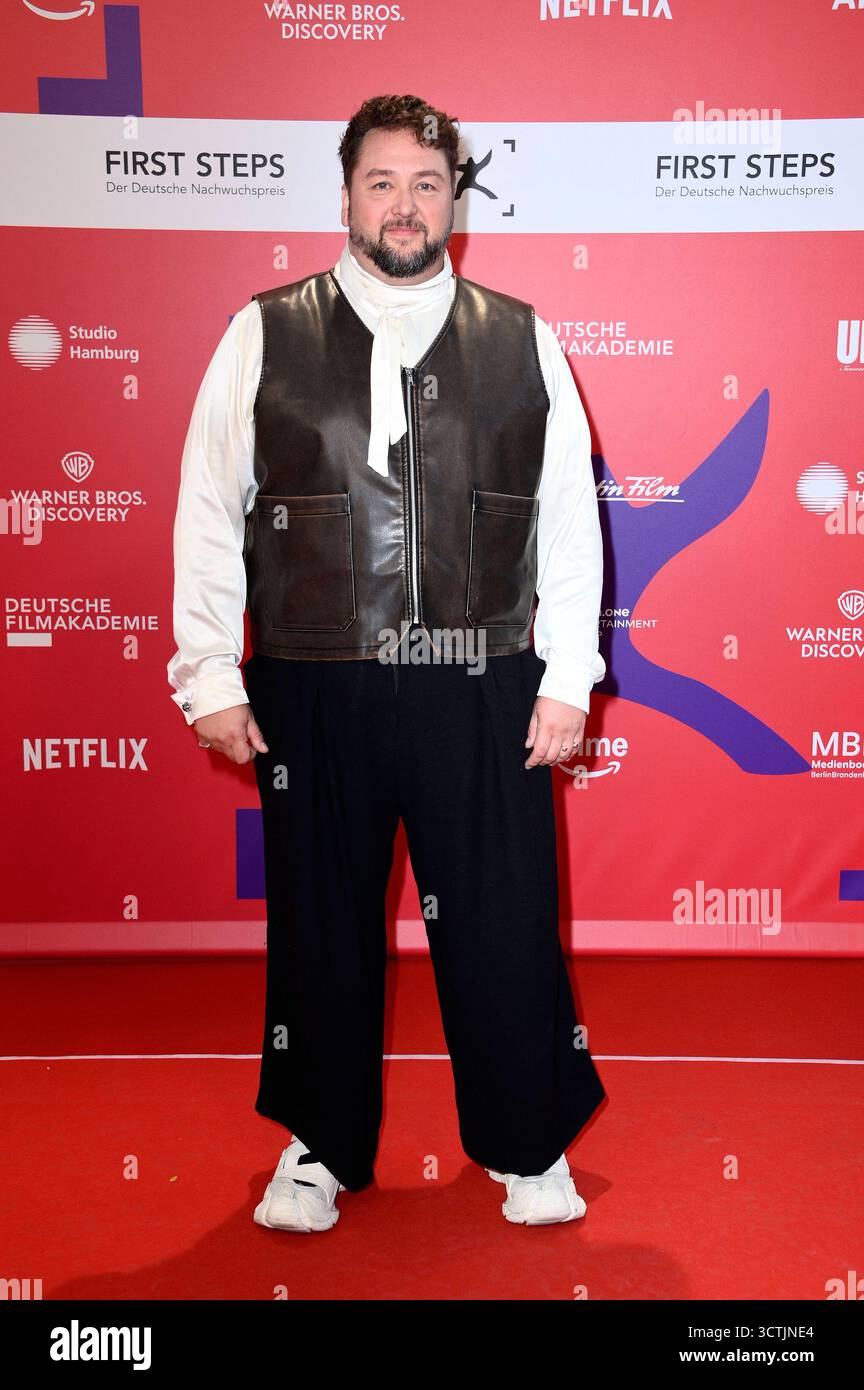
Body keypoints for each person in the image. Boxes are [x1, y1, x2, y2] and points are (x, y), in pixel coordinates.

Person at [167, 93, 607, 1232]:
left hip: (483, 678)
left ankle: (526, 1142)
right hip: (315, 679)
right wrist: (208, 671)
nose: (404, 204)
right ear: (347, 193)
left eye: (426, 182)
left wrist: (567, 677)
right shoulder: (265, 329)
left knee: (505, 921)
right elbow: (211, 507)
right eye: (382, 182)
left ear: (455, 198)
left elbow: (566, 520)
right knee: (319, 920)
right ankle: (317, 1146)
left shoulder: (524, 336)